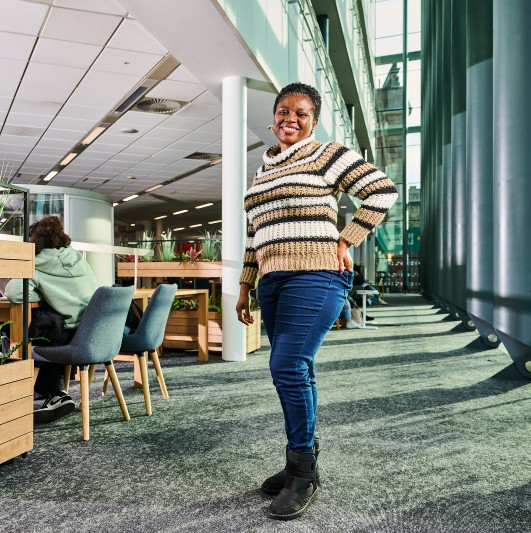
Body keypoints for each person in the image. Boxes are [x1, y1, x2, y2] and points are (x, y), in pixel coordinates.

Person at [235, 82, 398, 520]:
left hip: (318, 273)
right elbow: (255, 233)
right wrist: (245, 284)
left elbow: (382, 191)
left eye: (301, 113)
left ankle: (303, 472)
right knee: (296, 367)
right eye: (283, 110)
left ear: (314, 120)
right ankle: (297, 463)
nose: (291, 118)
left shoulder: (327, 154)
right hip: (272, 280)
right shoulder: (263, 168)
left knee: (287, 364)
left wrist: (347, 239)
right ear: (272, 117)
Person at [4, 216, 98, 424]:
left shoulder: (35, 263)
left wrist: (42, 292)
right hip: (94, 335)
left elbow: (13, 294)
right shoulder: (77, 257)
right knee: (44, 324)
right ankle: (54, 392)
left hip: (68, 340)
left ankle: (47, 393)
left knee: (16, 332)